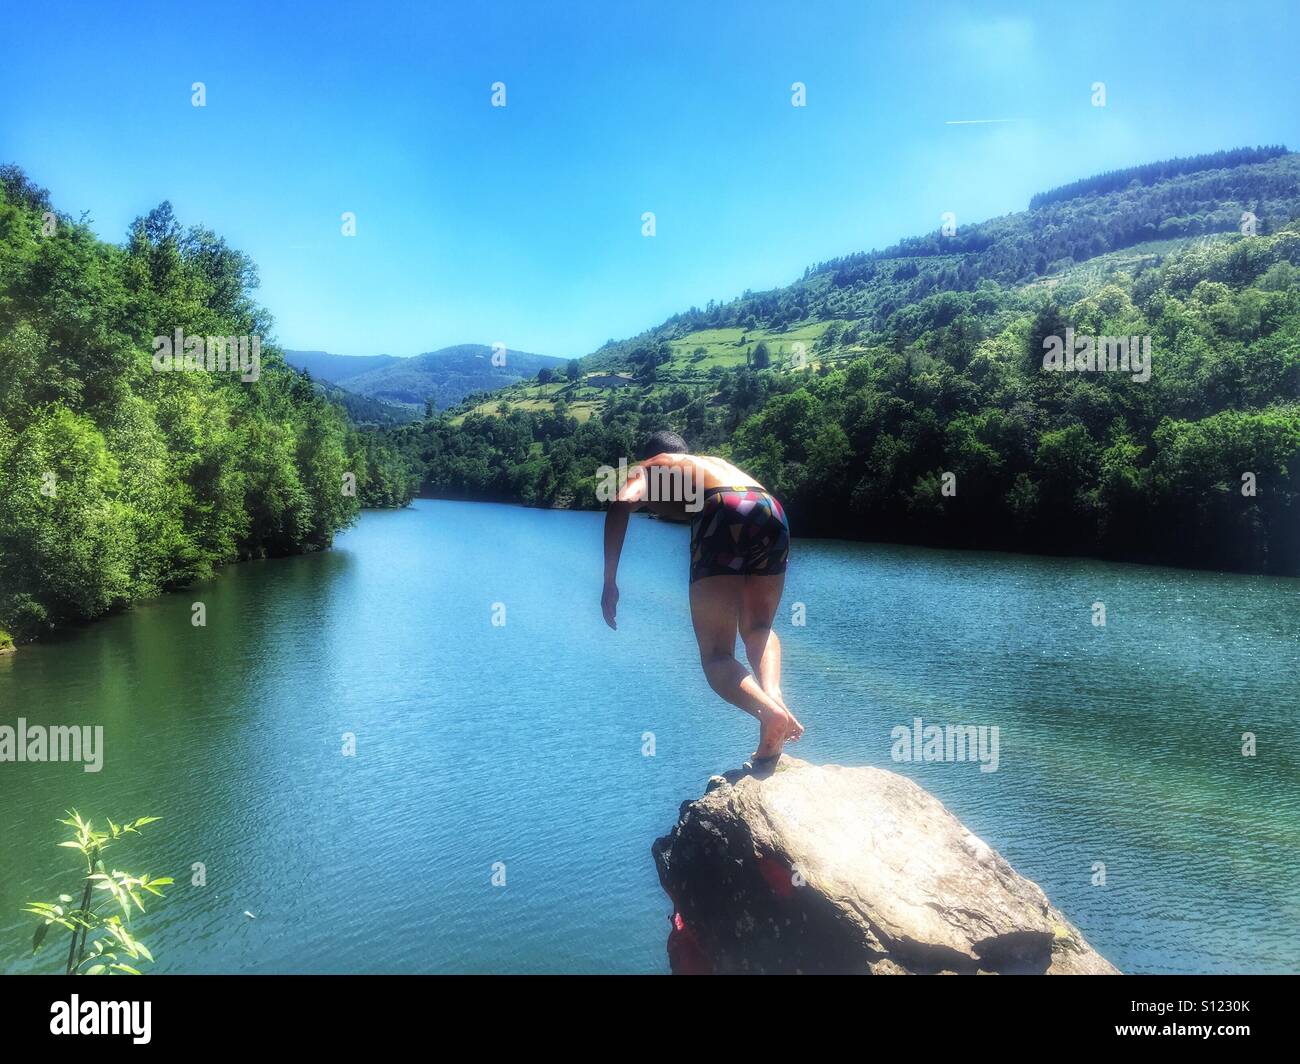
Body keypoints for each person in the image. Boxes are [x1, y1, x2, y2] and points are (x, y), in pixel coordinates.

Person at [601, 429, 803, 767]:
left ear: (652, 454)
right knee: (758, 627)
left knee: (716, 655)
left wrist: (610, 581)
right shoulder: (712, 464)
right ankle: (775, 701)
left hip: (722, 509)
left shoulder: (652, 465)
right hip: (769, 506)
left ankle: (770, 715)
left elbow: (620, 503)